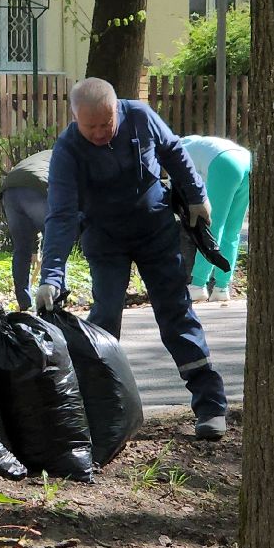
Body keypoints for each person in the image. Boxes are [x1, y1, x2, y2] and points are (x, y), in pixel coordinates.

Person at [33, 77, 228, 440]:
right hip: (104, 239)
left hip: (155, 230)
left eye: (106, 124)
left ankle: (210, 405)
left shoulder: (139, 115)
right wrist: (51, 277)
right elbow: (60, 215)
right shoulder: (68, 149)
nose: (100, 133)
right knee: (105, 319)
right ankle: (104, 410)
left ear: (116, 110)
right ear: (74, 118)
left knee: (176, 313)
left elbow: (173, 151)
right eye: (90, 126)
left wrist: (197, 195)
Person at [179, 135, 252, 301]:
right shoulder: (196, 143)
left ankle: (198, 284)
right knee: (232, 230)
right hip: (247, 161)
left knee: (212, 225)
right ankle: (222, 288)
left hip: (224, 163)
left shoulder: (176, 152)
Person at [0, 150, 52, 310]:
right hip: (36, 187)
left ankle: (25, 304)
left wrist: (35, 250)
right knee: (54, 243)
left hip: (9, 189)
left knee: (21, 249)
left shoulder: (44, 155)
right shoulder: (68, 154)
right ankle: (53, 303)